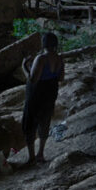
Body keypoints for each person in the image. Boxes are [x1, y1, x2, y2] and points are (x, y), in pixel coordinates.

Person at [20, 32, 65, 164]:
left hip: (36, 95)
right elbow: (61, 78)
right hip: (50, 94)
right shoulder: (59, 59)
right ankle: (41, 154)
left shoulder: (40, 59)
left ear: (43, 43)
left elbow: (33, 79)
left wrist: (24, 66)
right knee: (44, 122)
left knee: (30, 124)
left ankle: (32, 157)